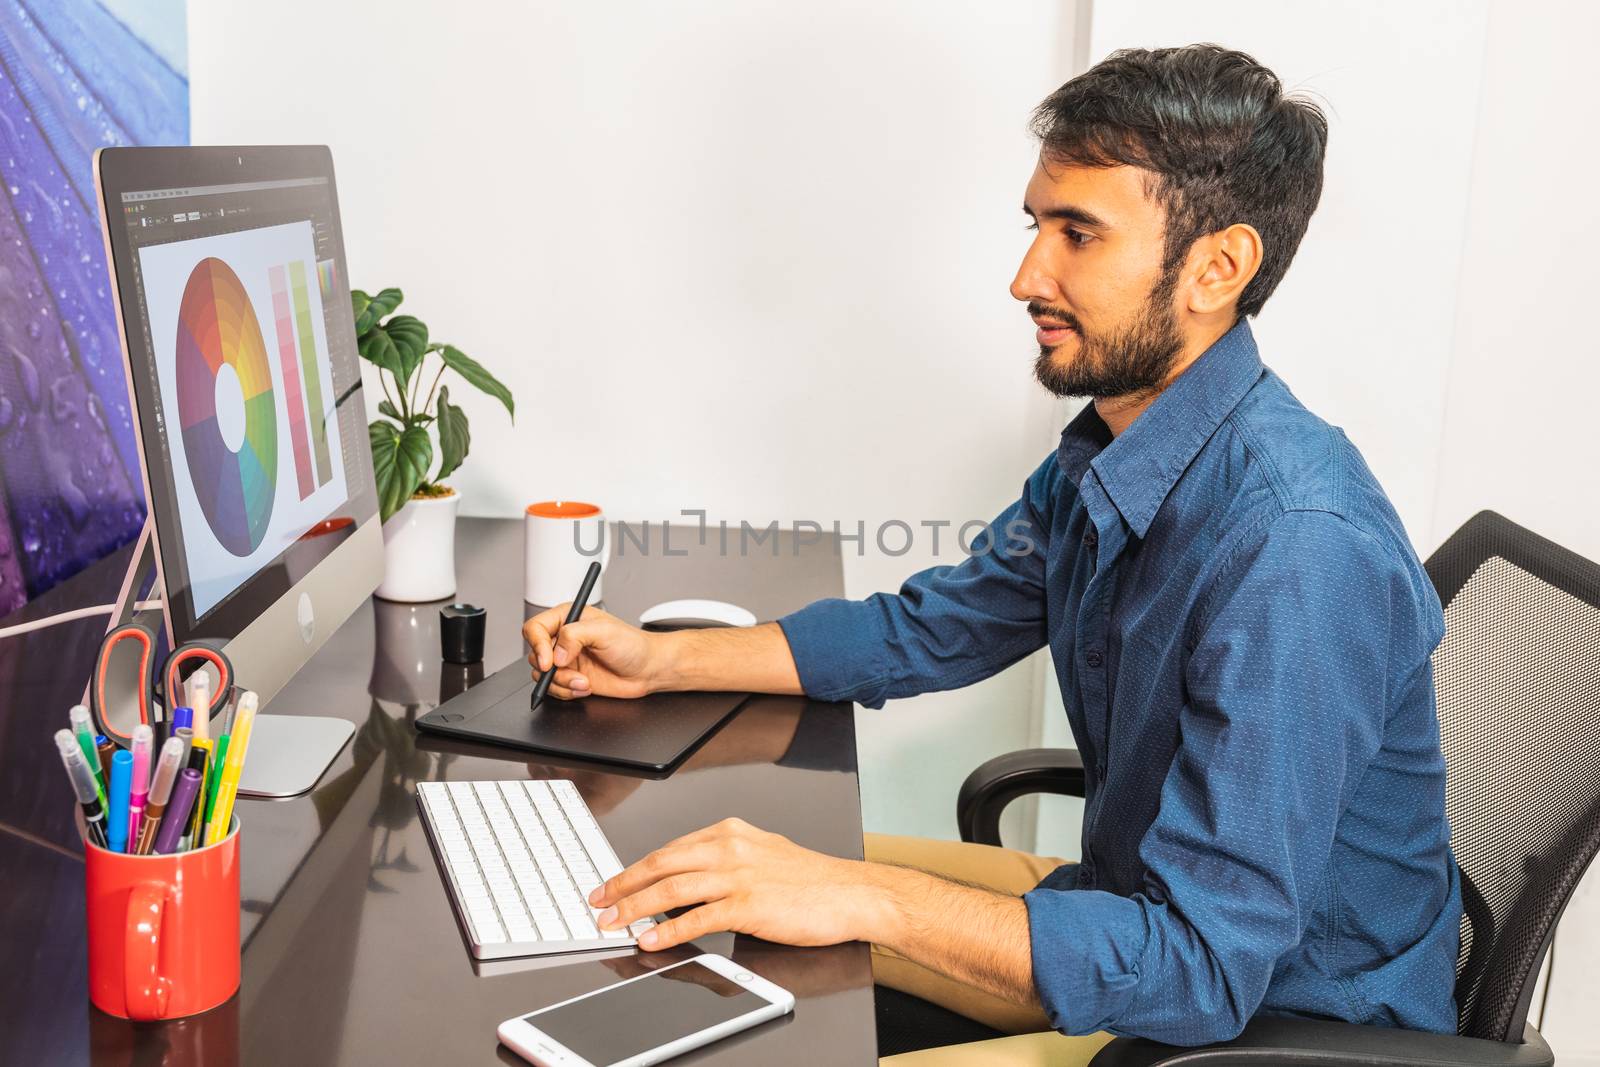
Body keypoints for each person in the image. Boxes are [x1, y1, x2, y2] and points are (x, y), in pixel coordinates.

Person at [522, 44, 1461, 1066]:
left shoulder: (1296, 549)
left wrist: (861, 895)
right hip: (1135, 924)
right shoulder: (1117, 450)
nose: (1026, 277)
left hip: (1265, 1026)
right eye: (1036, 226)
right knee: (717, 890)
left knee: (800, 922)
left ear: (1217, 267)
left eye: (1078, 235)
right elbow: (934, 625)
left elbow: (1201, 966)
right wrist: (664, 658)